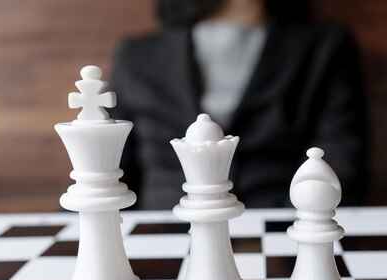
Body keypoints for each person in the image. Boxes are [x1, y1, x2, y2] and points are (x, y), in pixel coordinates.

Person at [109, 0, 368, 209]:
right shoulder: (137, 55)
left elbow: (340, 154)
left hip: (286, 230)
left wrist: (295, 231)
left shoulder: (324, 47)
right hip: (167, 234)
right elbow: (112, 169)